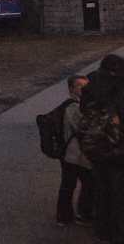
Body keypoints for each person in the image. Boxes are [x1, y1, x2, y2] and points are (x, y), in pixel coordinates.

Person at [79, 54, 124, 244]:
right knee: (118, 193)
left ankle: (102, 232)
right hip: (118, 150)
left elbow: (84, 113)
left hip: (95, 149)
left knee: (100, 189)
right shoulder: (120, 88)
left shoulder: (91, 87)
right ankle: (118, 233)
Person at [56, 74, 93, 227]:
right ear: (72, 88)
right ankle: (81, 215)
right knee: (87, 183)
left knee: (68, 184)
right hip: (74, 155)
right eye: (80, 85)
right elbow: (82, 127)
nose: (85, 88)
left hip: (70, 154)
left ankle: (64, 217)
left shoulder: (73, 105)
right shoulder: (73, 107)